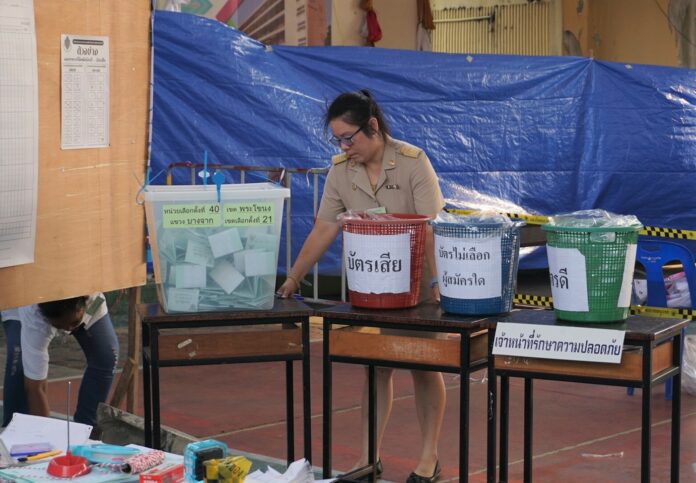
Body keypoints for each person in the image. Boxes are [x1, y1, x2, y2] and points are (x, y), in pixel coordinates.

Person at [277, 90, 445, 483]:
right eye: (337, 140)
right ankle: (369, 457)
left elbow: (432, 227)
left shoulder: (412, 162)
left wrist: (438, 284)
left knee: (423, 366)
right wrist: (292, 277)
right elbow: (324, 227)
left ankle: (428, 459)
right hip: (371, 286)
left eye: (349, 138)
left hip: (417, 288)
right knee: (375, 367)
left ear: (372, 126)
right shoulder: (341, 170)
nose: (344, 147)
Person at [1, 294, 119, 428]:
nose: (68, 330)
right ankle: (15, 432)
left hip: (83, 304)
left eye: (74, 324)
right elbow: (35, 388)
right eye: (59, 326)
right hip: (21, 296)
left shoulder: (92, 298)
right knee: (20, 366)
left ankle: (85, 430)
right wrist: (43, 436)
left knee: (106, 356)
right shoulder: (35, 319)